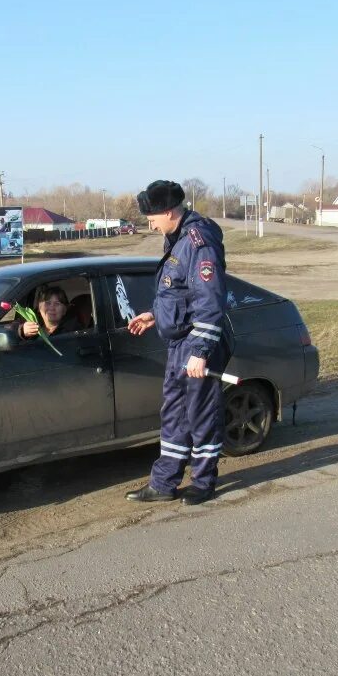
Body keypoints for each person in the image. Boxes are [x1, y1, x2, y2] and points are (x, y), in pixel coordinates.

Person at [125, 180, 233, 506]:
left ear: (170, 211)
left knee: (200, 415)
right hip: (179, 343)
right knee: (174, 414)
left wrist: (201, 352)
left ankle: (204, 482)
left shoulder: (199, 242)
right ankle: (164, 483)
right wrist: (155, 315)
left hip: (198, 344)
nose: (150, 223)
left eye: (152, 217)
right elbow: (180, 293)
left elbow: (210, 302)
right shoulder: (177, 239)